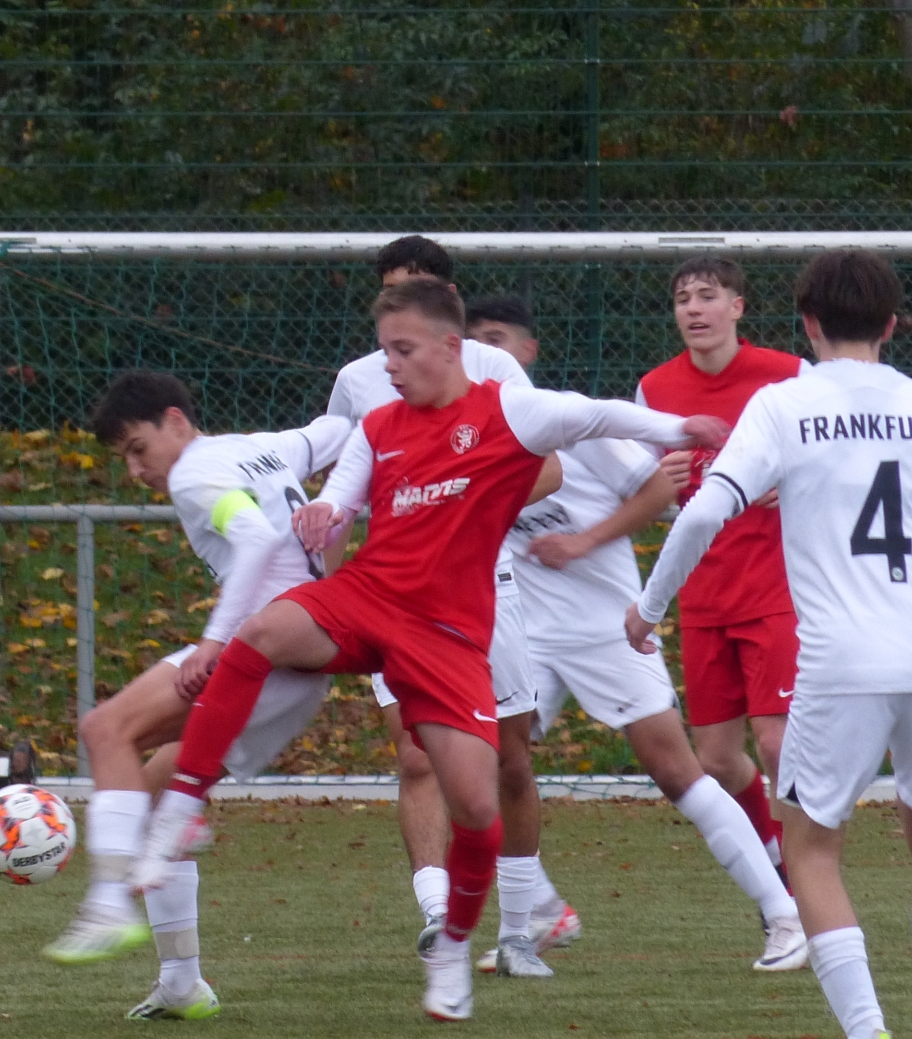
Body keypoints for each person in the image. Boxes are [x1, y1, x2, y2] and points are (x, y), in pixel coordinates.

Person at [134, 278, 727, 1022]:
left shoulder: (508, 411)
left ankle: (452, 950)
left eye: (402, 350)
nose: (389, 365)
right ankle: (179, 810)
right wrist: (326, 510)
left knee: (477, 808)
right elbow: (343, 491)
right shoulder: (381, 423)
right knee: (258, 634)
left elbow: (595, 414)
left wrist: (680, 428)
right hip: (370, 597)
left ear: (452, 348)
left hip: (446, 635)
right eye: (385, 350)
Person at [628, 249, 912, 1039]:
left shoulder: (783, 404)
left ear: (806, 324)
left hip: (841, 659)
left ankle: (869, 1038)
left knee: (809, 847)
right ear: (891, 325)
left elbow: (702, 510)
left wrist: (650, 604)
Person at [469, 295, 807, 972]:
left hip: (606, 627)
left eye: (498, 340)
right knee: (476, 765)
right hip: (525, 631)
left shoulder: (570, 421)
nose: (485, 354)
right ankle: (541, 911)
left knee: (678, 770)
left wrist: (582, 541)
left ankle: (785, 916)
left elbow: (658, 493)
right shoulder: (468, 435)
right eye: (474, 341)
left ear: (527, 353)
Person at [41, 371, 350, 1020]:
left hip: (262, 654)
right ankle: (182, 984)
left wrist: (214, 643)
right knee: (155, 796)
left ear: (176, 421)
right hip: (306, 668)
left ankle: (107, 902)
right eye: (124, 458)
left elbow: (257, 538)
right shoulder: (264, 447)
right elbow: (341, 430)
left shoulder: (193, 473)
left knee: (105, 730)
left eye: (138, 449)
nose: (136, 472)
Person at [328, 236, 576, 977]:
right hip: (393, 597)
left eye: (418, 287)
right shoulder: (359, 381)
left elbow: (550, 469)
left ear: (449, 305)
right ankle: (440, 919)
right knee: (417, 756)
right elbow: (342, 492)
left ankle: (520, 931)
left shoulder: (492, 369)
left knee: (509, 759)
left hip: (481, 589)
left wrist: (463, 501)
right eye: (391, 289)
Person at [636, 255, 810, 877]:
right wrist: (659, 480)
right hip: (703, 593)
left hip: (775, 587)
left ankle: (804, 874)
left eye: (707, 296)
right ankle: (776, 861)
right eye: (683, 299)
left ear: (737, 307)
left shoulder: (788, 378)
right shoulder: (655, 389)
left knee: (777, 743)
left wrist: (793, 480)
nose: (694, 309)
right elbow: (635, 485)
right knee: (714, 758)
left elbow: (833, 459)